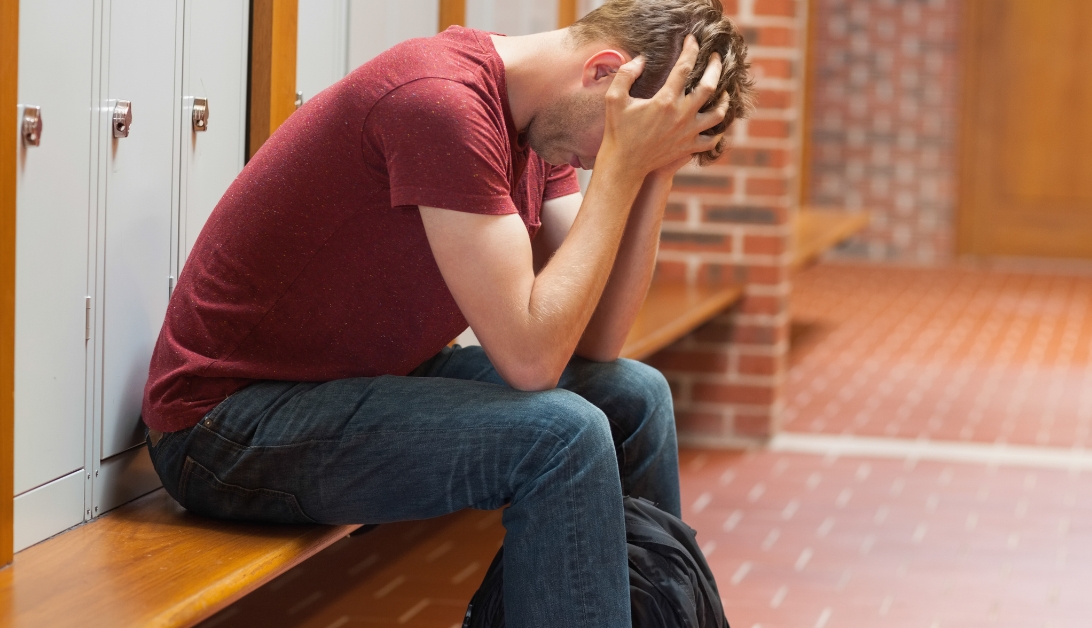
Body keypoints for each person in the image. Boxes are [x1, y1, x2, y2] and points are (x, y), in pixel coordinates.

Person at [141, 0, 752, 625]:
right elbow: (533, 360)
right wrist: (623, 168)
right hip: (227, 424)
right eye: (621, 138)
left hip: (366, 380)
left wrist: (653, 173)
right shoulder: (443, 104)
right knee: (562, 436)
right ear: (604, 73)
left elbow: (599, 339)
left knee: (634, 396)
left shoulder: (540, 121)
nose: (603, 159)